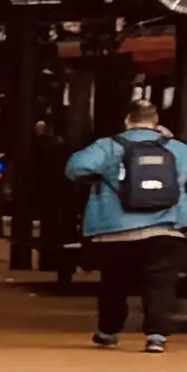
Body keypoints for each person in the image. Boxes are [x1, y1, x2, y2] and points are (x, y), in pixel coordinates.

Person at [68, 91, 187, 347]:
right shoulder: (177, 148)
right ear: (156, 122)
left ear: (127, 121)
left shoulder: (109, 145)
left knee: (114, 283)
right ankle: (156, 336)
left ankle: (108, 332)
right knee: (160, 283)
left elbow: (76, 167)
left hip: (114, 230)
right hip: (166, 229)